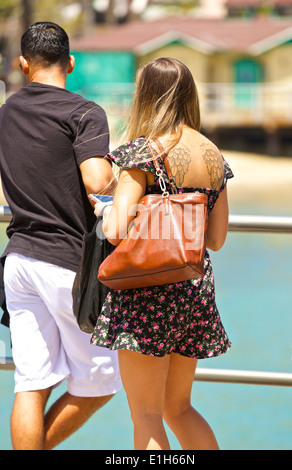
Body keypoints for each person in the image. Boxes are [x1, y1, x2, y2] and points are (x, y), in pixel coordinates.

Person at [91, 57, 234, 450]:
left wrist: (105, 209)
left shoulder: (143, 152)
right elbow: (217, 239)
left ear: (146, 96)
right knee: (179, 408)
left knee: (147, 414)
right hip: (194, 286)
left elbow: (117, 232)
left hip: (148, 292)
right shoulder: (213, 155)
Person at [0, 22, 122, 450]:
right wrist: (123, 181)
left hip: (18, 262)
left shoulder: (7, 112)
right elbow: (96, 181)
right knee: (101, 382)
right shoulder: (85, 112)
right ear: (70, 63)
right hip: (68, 264)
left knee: (31, 384)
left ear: (23, 64)